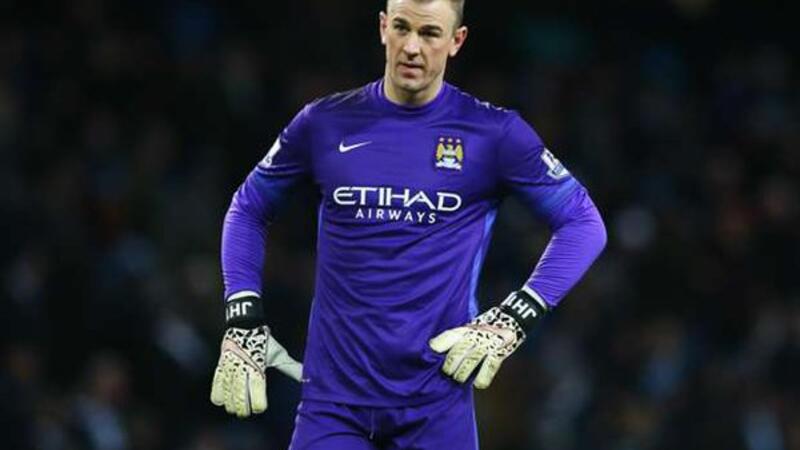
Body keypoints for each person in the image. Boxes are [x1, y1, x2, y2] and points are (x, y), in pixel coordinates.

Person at [210, 0, 607, 448]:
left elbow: (583, 222)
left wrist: (514, 318)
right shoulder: (323, 123)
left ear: (456, 41)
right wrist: (242, 314)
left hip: (436, 406)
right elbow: (248, 207)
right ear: (384, 28)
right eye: (402, 27)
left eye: (430, 33)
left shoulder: (494, 133)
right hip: (332, 406)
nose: (412, 47)